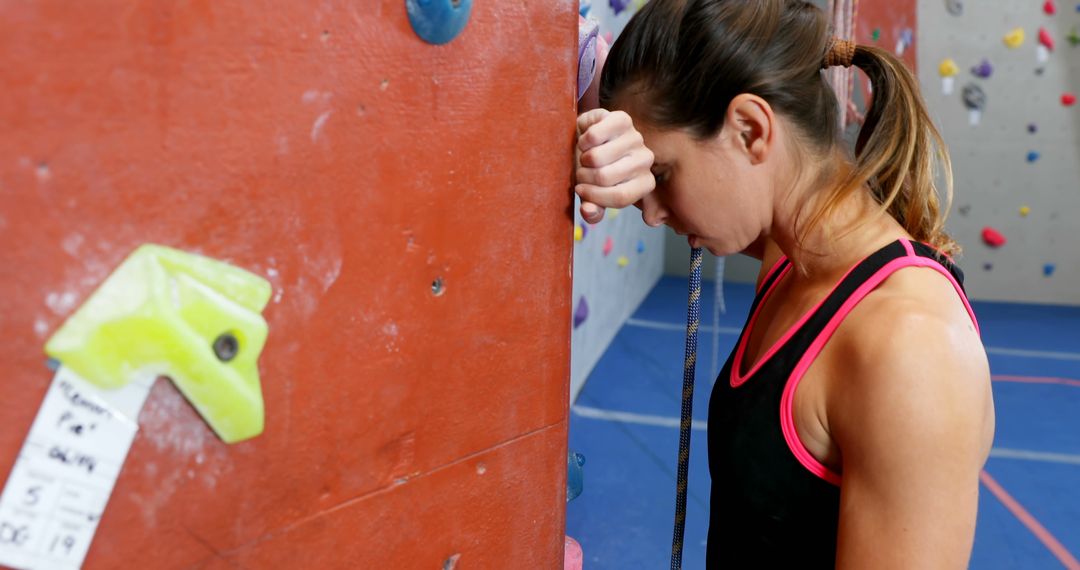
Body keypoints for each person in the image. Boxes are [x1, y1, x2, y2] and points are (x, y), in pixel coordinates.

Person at [572, 0, 995, 567]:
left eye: (663, 174)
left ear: (750, 129)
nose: (649, 212)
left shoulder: (907, 346)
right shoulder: (797, 258)